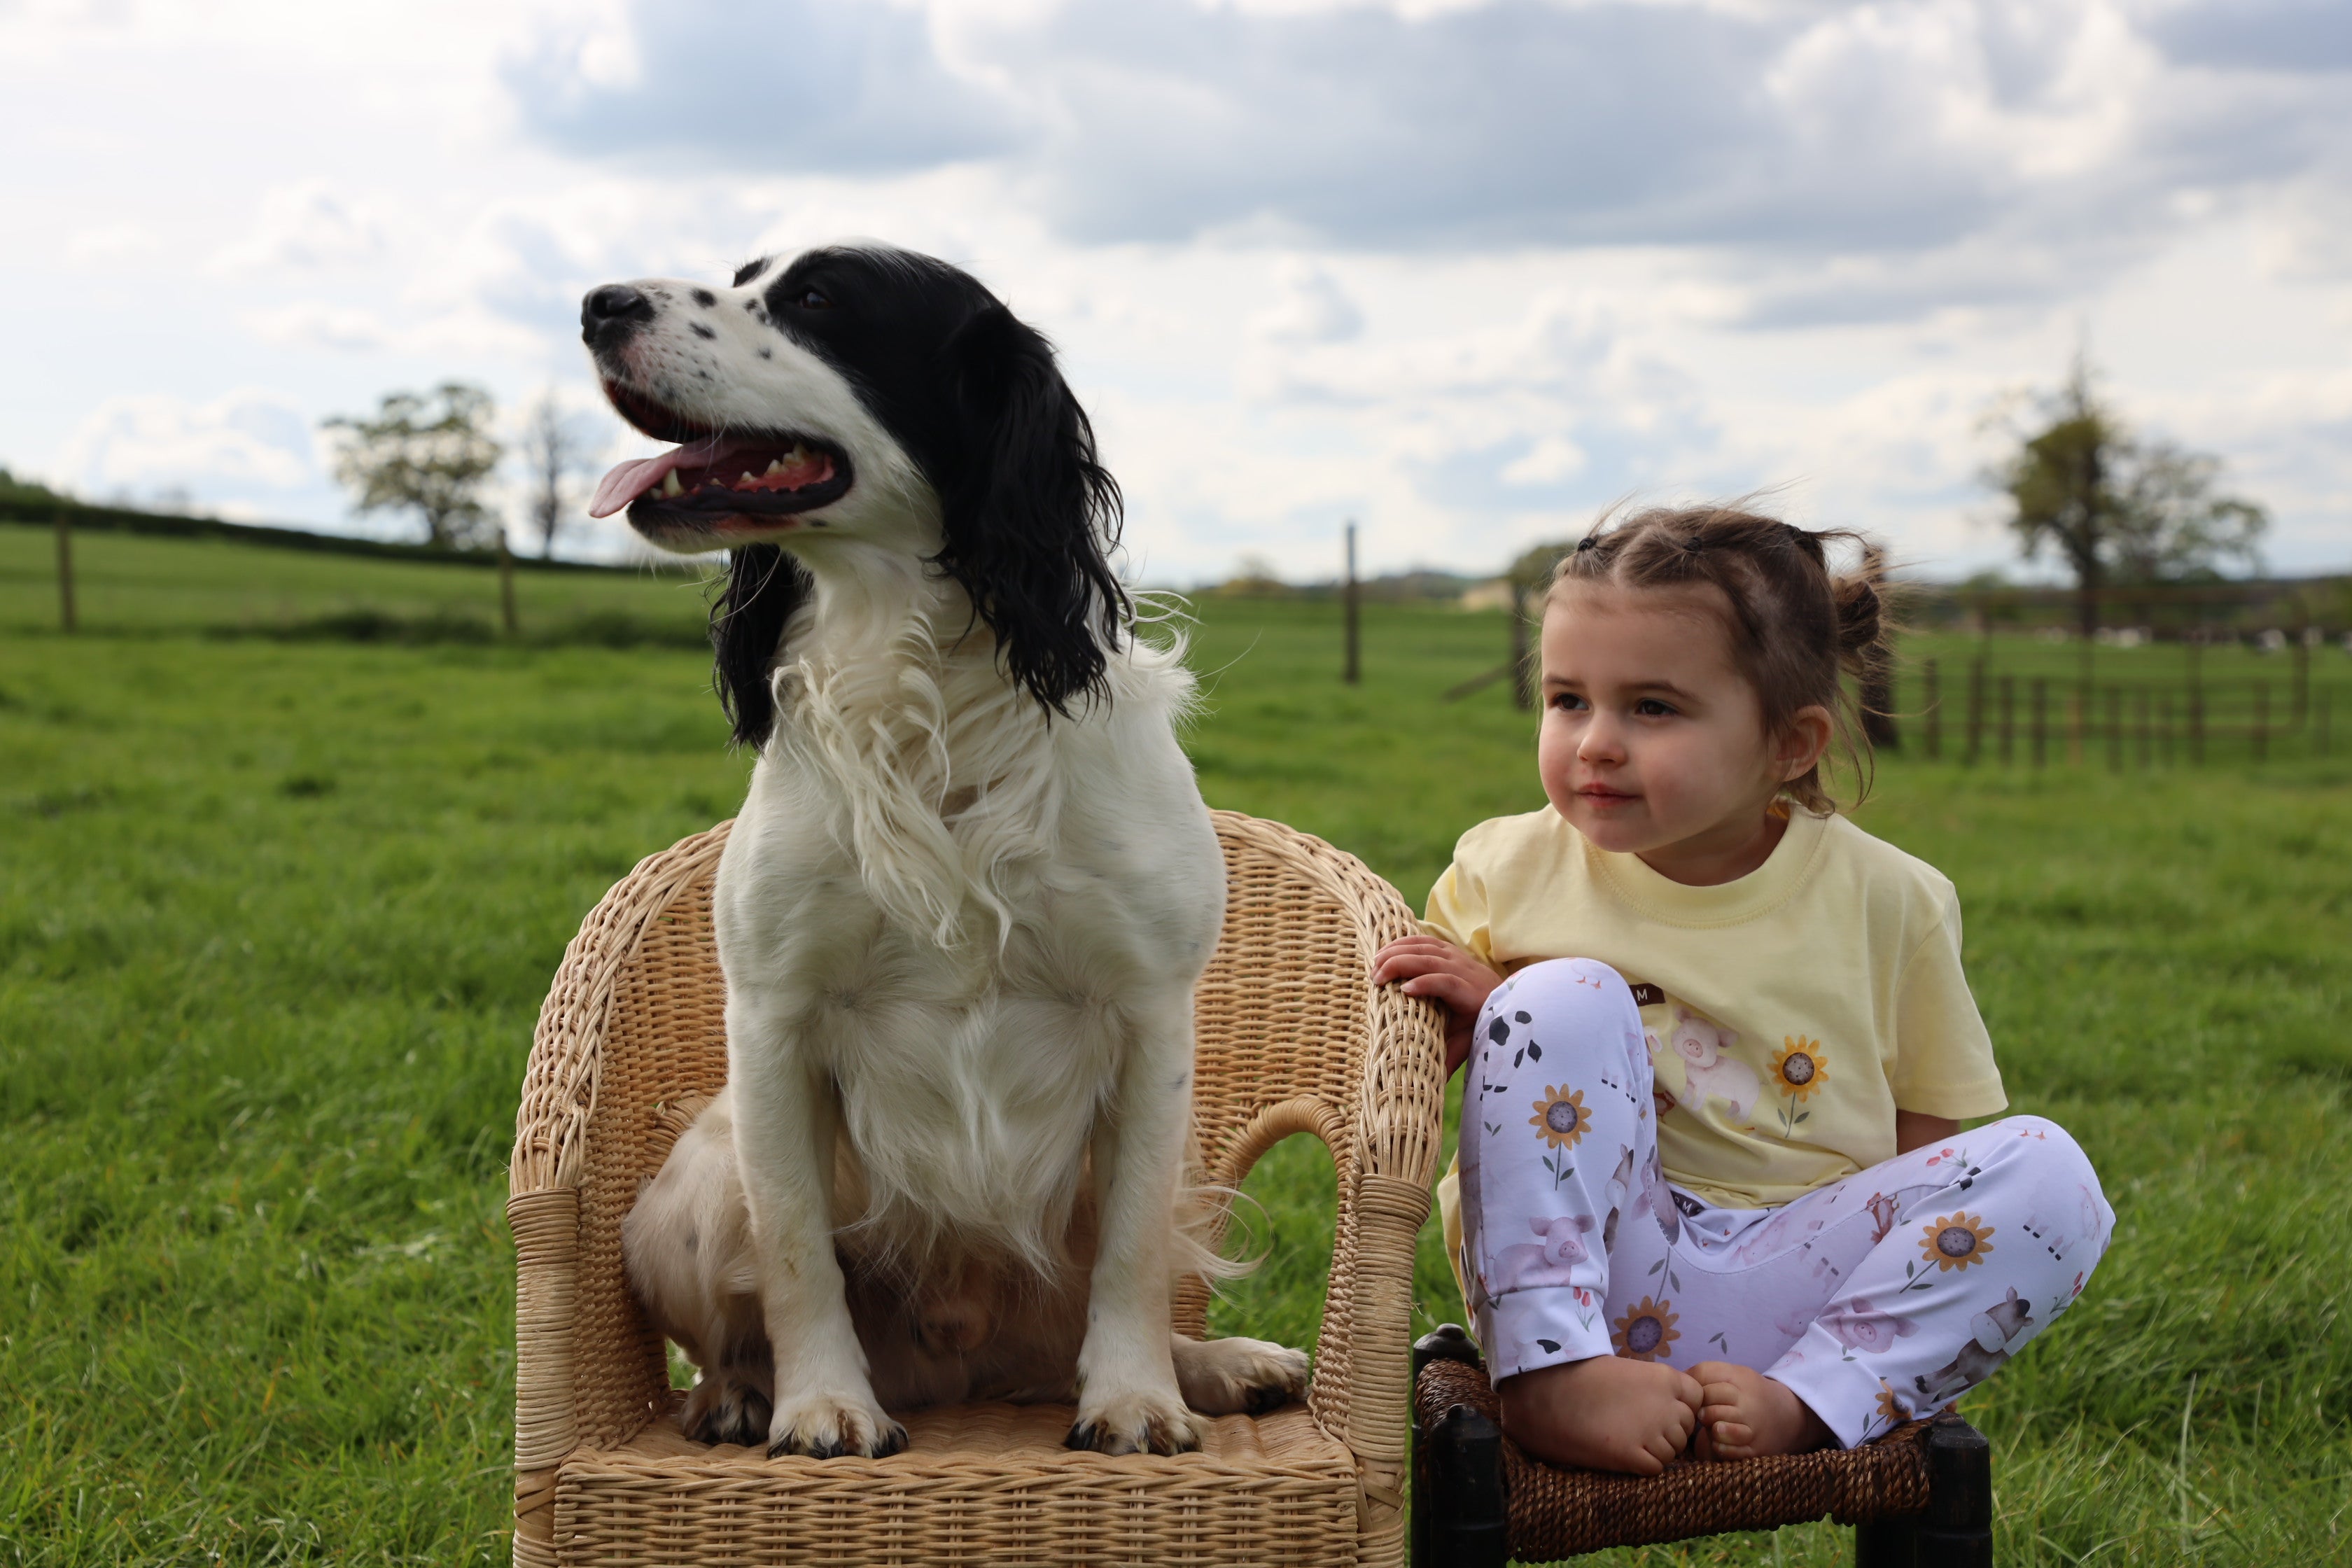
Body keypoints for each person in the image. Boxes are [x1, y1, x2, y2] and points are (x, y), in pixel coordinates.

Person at [1373, 506, 2112, 1476]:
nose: (1595, 742)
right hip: (1587, 1281)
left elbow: (1934, 1144)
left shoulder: (1892, 901)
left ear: (1791, 743)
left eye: (1653, 708)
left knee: (2054, 1172)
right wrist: (1495, 1010)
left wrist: (1905, 1306)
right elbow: (1417, 1086)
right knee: (1563, 997)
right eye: (1566, 700)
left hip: (1805, 1302)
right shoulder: (1505, 869)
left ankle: (1816, 1401)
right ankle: (1553, 1379)